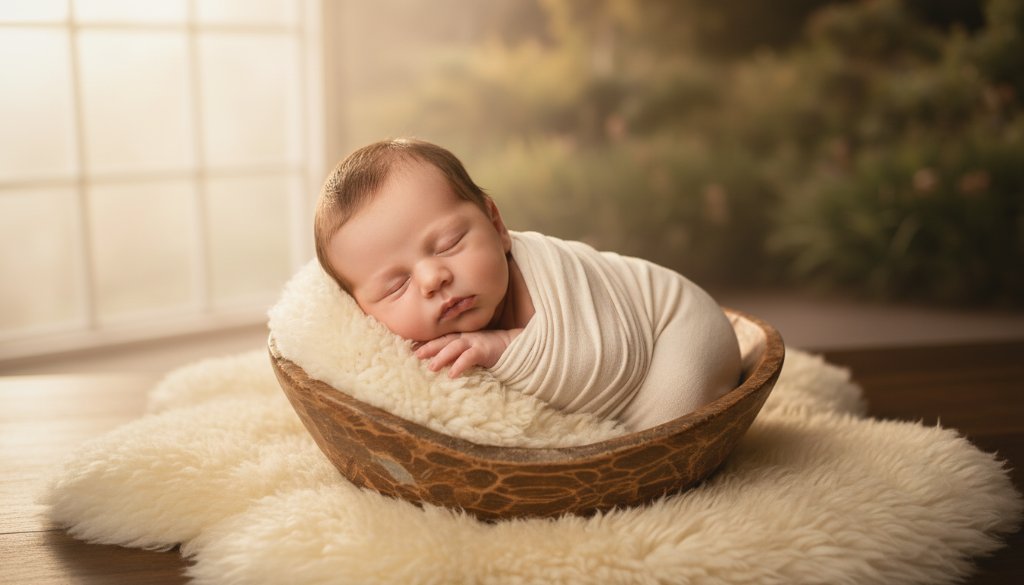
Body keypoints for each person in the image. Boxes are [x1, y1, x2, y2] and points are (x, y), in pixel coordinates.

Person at [314, 138, 742, 431]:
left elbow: (612, 361)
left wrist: (502, 346)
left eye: (449, 243)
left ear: (496, 225)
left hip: (675, 327)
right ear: (361, 310)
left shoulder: (545, 278)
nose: (432, 278)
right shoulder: (397, 355)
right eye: (394, 286)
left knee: (663, 426)